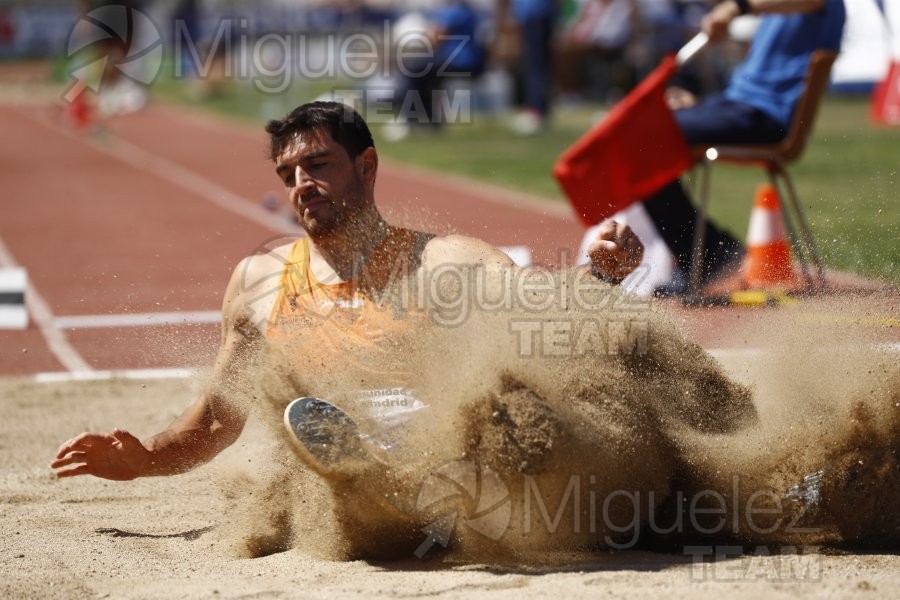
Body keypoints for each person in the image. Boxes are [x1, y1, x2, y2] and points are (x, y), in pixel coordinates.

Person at [50, 101, 644, 481]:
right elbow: (215, 423)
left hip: (446, 456)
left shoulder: (445, 261)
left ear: (366, 166)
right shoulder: (258, 283)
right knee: (318, 442)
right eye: (289, 176)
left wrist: (601, 275)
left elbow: (543, 309)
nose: (301, 186)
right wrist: (145, 459)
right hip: (340, 463)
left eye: (317, 165)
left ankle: (410, 481)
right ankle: (365, 476)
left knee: (517, 410)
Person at [642, 0, 845, 293]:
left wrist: (736, 6)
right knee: (642, 132)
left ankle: (708, 255)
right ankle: (704, 254)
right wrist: (700, 110)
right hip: (737, 107)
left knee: (644, 140)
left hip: (764, 116)